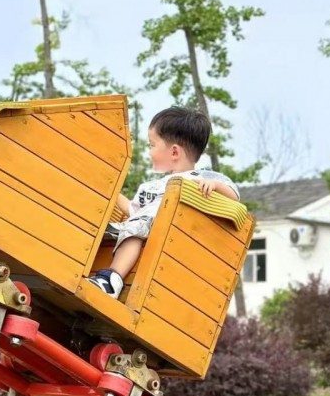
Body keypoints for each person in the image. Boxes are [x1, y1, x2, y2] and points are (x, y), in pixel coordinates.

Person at [88, 106, 240, 299]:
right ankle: (115, 235)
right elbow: (132, 210)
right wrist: (111, 190)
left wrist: (215, 186)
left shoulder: (197, 179)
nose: (149, 151)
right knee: (127, 226)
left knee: (135, 229)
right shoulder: (150, 187)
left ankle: (112, 280)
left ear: (174, 152)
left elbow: (235, 197)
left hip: (167, 236)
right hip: (140, 224)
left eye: (152, 145)